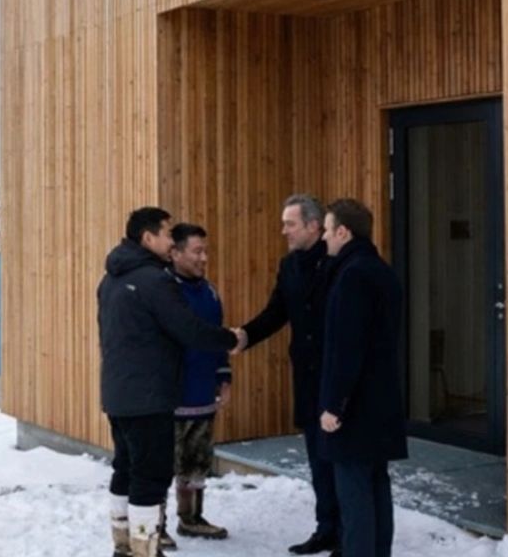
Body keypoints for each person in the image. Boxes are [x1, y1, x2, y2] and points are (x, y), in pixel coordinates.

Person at [98, 207, 243, 557]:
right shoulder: (155, 280)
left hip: (118, 393)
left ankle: (123, 544)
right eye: (166, 234)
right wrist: (230, 339)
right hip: (149, 396)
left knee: (125, 469)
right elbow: (188, 329)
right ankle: (145, 548)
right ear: (148, 237)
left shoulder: (111, 279)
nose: (170, 241)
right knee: (150, 476)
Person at [233, 194, 341, 555]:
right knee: (317, 455)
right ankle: (326, 528)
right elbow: (276, 312)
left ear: (313, 225)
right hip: (307, 376)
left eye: (290, 224)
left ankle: (348, 532)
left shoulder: (338, 261)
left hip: (337, 374)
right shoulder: (289, 265)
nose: (284, 231)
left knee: (340, 456)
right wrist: (246, 335)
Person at [317, 199, 407, 557]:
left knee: (354, 495)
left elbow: (347, 345)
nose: (324, 237)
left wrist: (334, 404)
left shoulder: (352, 275)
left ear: (343, 232)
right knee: (376, 487)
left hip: (355, 405)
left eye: (327, 230)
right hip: (381, 399)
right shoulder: (382, 271)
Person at [166, 223, 231, 544]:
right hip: (170, 396)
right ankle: (154, 526)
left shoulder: (210, 292)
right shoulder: (164, 291)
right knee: (164, 464)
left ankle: (191, 518)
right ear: (175, 253)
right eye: (197, 251)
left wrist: (224, 377)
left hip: (203, 393)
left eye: (205, 251)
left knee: (198, 461)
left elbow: (218, 339)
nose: (204, 258)